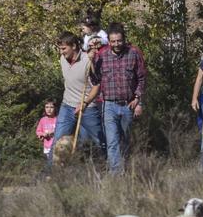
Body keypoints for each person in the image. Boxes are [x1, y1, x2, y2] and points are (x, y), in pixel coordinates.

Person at [93, 23, 148, 174]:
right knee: (112, 142)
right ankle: (116, 174)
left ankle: (128, 169)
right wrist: (91, 60)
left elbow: (142, 78)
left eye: (119, 41)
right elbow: (94, 79)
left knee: (126, 140)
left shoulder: (133, 53)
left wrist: (138, 99)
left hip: (128, 104)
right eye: (113, 41)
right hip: (108, 105)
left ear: (124, 39)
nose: (116, 44)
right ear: (109, 41)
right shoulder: (101, 56)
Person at [54, 31, 103, 165]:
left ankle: (106, 168)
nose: (61, 52)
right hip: (67, 106)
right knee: (58, 140)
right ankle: (51, 172)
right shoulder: (62, 59)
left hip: (87, 107)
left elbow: (97, 86)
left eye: (64, 48)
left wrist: (85, 103)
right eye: (60, 49)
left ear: (74, 46)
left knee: (98, 141)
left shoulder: (88, 60)